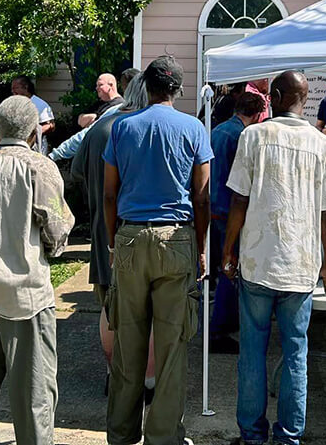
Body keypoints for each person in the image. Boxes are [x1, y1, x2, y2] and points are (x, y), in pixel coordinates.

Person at [222, 71, 326, 445]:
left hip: (258, 261)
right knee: (295, 352)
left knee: (252, 352)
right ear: (304, 100)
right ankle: (289, 436)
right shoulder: (323, 145)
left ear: (274, 97)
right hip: (301, 263)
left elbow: (239, 200)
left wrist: (228, 250)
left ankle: (252, 436)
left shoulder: (253, 136)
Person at [0, 95, 74, 445]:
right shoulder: (40, 167)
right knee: (34, 392)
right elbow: (56, 228)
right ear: (34, 131)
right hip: (25, 291)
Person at [103, 55, 212, 445]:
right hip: (177, 238)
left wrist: (113, 240)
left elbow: (109, 192)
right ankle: (164, 437)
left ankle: (121, 434)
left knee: (127, 344)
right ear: (178, 89)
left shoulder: (122, 127)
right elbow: (202, 196)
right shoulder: (193, 128)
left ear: (145, 87)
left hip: (131, 236)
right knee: (172, 348)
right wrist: (201, 247)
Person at [70, 71, 153, 388]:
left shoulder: (99, 128)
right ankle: (144, 379)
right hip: (137, 231)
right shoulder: (141, 129)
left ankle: (113, 374)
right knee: (144, 309)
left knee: (109, 306)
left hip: (102, 233)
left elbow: (77, 172)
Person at [207, 90, 267, 351]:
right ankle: (220, 329)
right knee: (230, 268)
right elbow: (242, 180)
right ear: (257, 115)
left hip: (211, 204)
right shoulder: (242, 136)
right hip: (229, 208)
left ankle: (214, 324)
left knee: (216, 269)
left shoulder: (217, 130)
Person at [51, 69, 131, 163]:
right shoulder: (98, 104)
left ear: (111, 85)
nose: (96, 88)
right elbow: (80, 120)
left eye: (100, 85)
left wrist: (56, 154)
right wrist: (95, 116)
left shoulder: (118, 107)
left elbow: (88, 131)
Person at [11, 76, 55, 155]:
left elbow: (51, 125)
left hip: (36, 147)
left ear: (26, 87)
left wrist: (33, 132)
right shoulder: (12, 104)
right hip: (16, 145)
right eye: (12, 88)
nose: (13, 91)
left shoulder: (40, 104)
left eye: (15, 88)